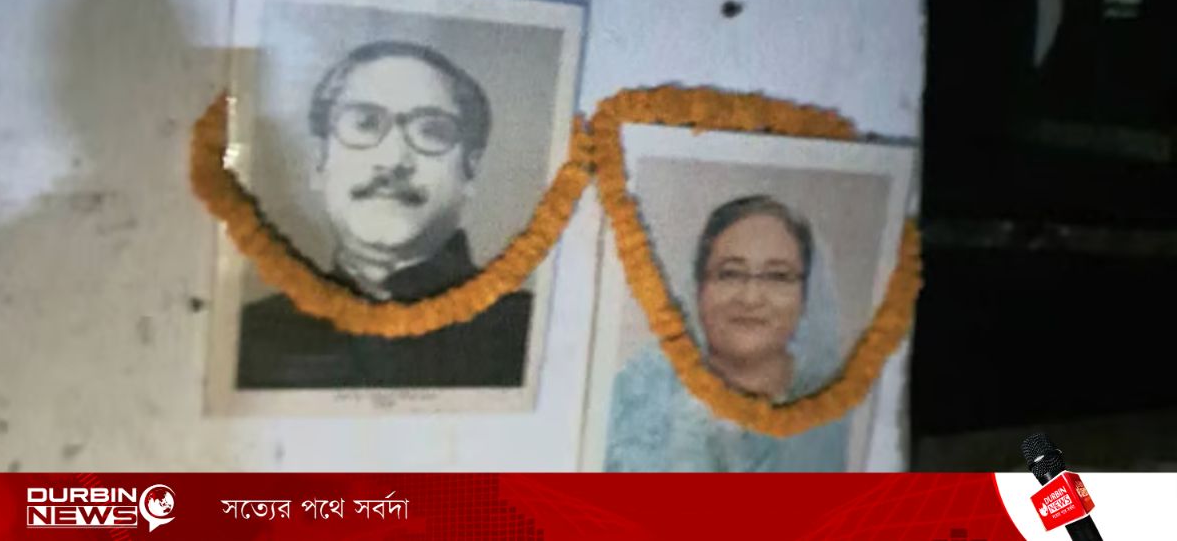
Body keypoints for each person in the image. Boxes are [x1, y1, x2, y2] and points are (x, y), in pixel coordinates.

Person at [236, 41, 532, 389]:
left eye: (430, 131)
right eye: (365, 123)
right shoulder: (253, 335)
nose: (392, 160)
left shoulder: (525, 335)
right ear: (319, 162)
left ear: (471, 170)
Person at [605, 195, 849, 471]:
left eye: (777, 276)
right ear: (700, 288)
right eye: (730, 273)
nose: (750, 298)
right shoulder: (639, 394)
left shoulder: (835, 411)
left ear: (806, 295)